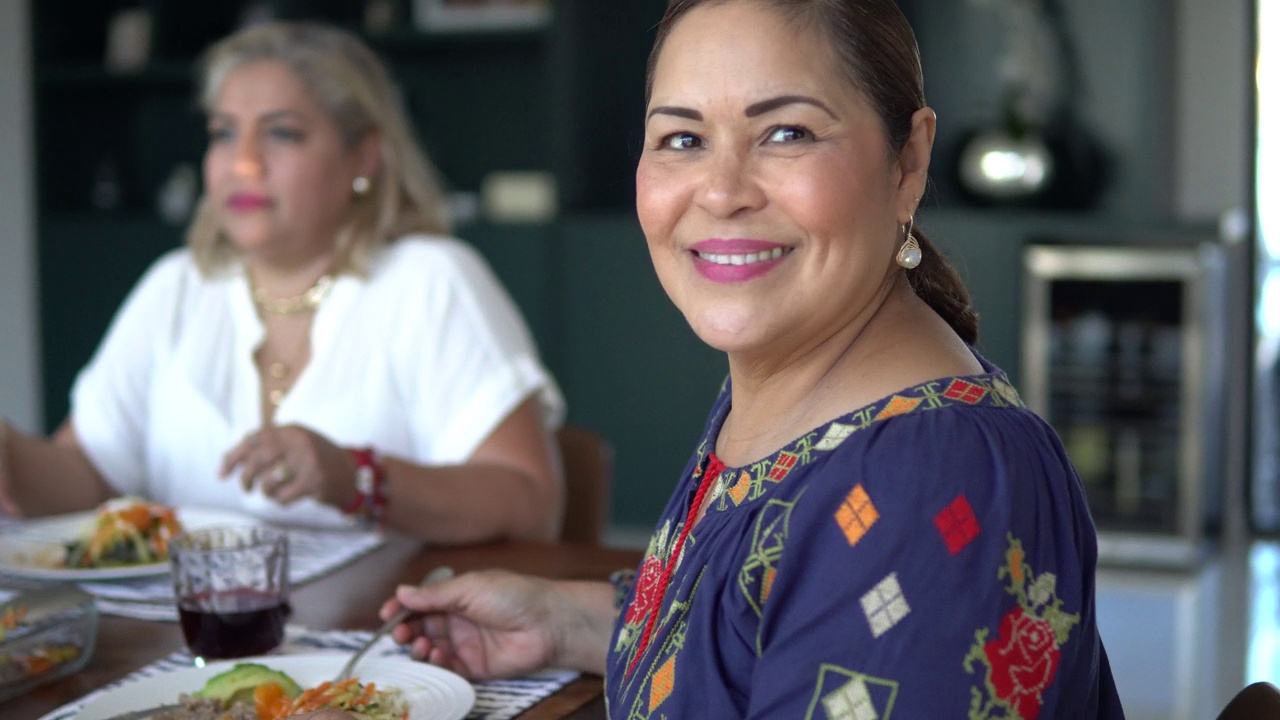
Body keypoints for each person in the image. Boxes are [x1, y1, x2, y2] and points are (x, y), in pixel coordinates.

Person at [363, 0, 1127, 717]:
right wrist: (566, 619)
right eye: (683, 139)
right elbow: (769, 625)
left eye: (786, 132)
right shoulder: (797, 390)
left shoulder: (931, 476)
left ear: (909, 162)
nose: (722, 192)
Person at [0, 22, 565, 544]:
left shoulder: (430, 279)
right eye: (223, 134)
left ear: (363, 156)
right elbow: (85, 478)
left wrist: (355, 477)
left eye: (282, 134)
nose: (243, 163)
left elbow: (530, 502)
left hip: (383, 637)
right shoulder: (175, 288)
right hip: (199, 644)